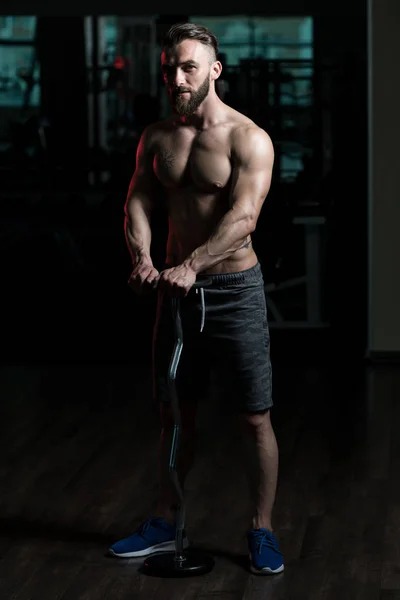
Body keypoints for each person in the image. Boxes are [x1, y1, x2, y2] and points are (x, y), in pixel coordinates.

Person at [108, 22, 284, 575]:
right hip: (176, 293)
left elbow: (245, 217)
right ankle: (165, 520)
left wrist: (190, 264)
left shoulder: (247, 138)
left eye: (188, 67)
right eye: (169, 68)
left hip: (232, 290)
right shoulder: (157, 136)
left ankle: (261, 529)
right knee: (173, 414)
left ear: (214, 70)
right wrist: (142, 259)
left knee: (254, 417)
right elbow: (137, 200)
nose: (176, 78)